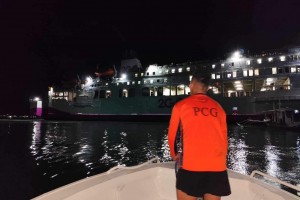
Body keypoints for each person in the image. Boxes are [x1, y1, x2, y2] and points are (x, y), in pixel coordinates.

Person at [168, 71, 231, 200]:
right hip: (217, 168)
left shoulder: (181, 106)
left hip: (191, 166)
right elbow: (224, 140)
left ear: (191, 84)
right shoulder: (219, 108)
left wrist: (175, 155)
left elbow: (172, 136)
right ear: (207, 88)